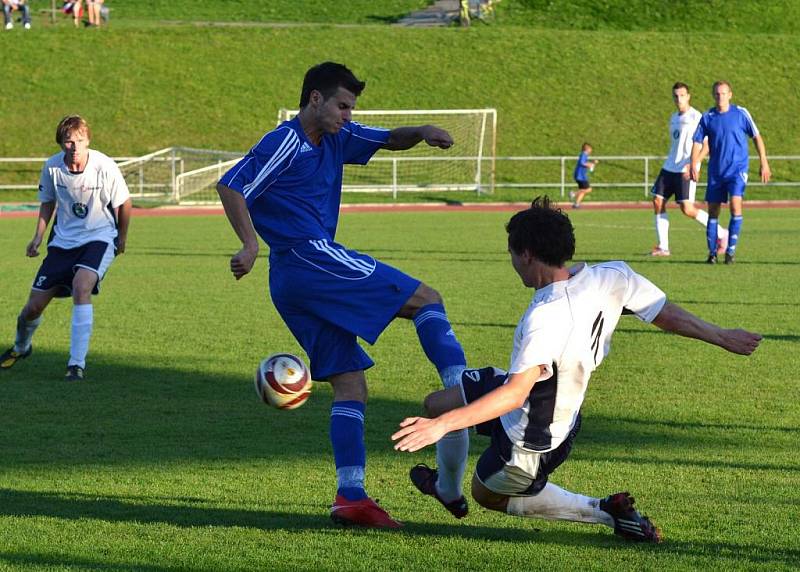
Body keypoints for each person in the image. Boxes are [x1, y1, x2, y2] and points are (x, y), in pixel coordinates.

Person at [393, 196, 762, 542]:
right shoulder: (612, 276)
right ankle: (446, 490)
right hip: (540, 386)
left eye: (511, 253)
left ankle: (605, 512)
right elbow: (662, 312)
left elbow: (514, 395)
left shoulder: (546, 316)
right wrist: (722, 336)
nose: (511, 262)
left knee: (487, 492)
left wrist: (442, 427)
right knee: (438, 402)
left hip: (536, 429)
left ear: (526, 254)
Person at [216, 62, 469, 529]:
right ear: (315, 99)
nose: (348, 116)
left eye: (351, 108)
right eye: (342, 106)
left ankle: (351, 495)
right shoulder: (285, 142)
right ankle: (464, 389)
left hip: (291, 281)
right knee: (427, 300)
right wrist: (250, 244)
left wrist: (423, 130)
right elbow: (231, 185)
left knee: (350, 384)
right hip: (309, 258)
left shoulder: (337, 136)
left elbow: (388, 138)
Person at [0, 115, 132, 381]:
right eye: (69, 141)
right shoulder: (52, 167)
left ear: (88, 141)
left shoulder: (104, 165)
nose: (75, 147)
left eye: (80, 141)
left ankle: (76, 364)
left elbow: (124, 203)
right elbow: (48, 202)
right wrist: (37, 237)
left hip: (99, 237)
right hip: (62, 243)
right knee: (33, 308)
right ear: (61, 144)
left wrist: (122, 237)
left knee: (82, 286)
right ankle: (21, 347)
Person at [690, 81, 771, 264]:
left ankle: (730, 251)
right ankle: (712, 254)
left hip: (737, 170)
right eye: (717, 94)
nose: (720, 97)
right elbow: (697, 141)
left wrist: (764, 161)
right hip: (716, 172)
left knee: (736, 205)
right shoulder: (707, 117)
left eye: (724, 93)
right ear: (713, 95)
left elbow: (757, 136)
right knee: (713, 211)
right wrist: (694, 162)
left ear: (730, 95)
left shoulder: (741, 114)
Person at [650, 82, 729, 257]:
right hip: (670, 166)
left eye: (682, 95)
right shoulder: (673, 117)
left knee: (687, 208)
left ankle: (723, 234)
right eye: (675, 96)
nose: (679, 99)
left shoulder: (696, 117)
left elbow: (706, 145)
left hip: (686, 168)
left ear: (688, 96)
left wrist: (694, 164)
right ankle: (663, 247)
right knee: (657, 201)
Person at [570, 142, 598, 208]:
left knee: (582, 190)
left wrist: (592, 163)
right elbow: (582, 163)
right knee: (589, 189)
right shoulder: (583, 154)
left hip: (581, 176)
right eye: (590, 149)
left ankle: (576, 204)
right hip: (581, 176)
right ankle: (573, 193)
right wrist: (591, 164)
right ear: (587, 148)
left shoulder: (584, 155)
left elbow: (585, 163)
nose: (591, 150)